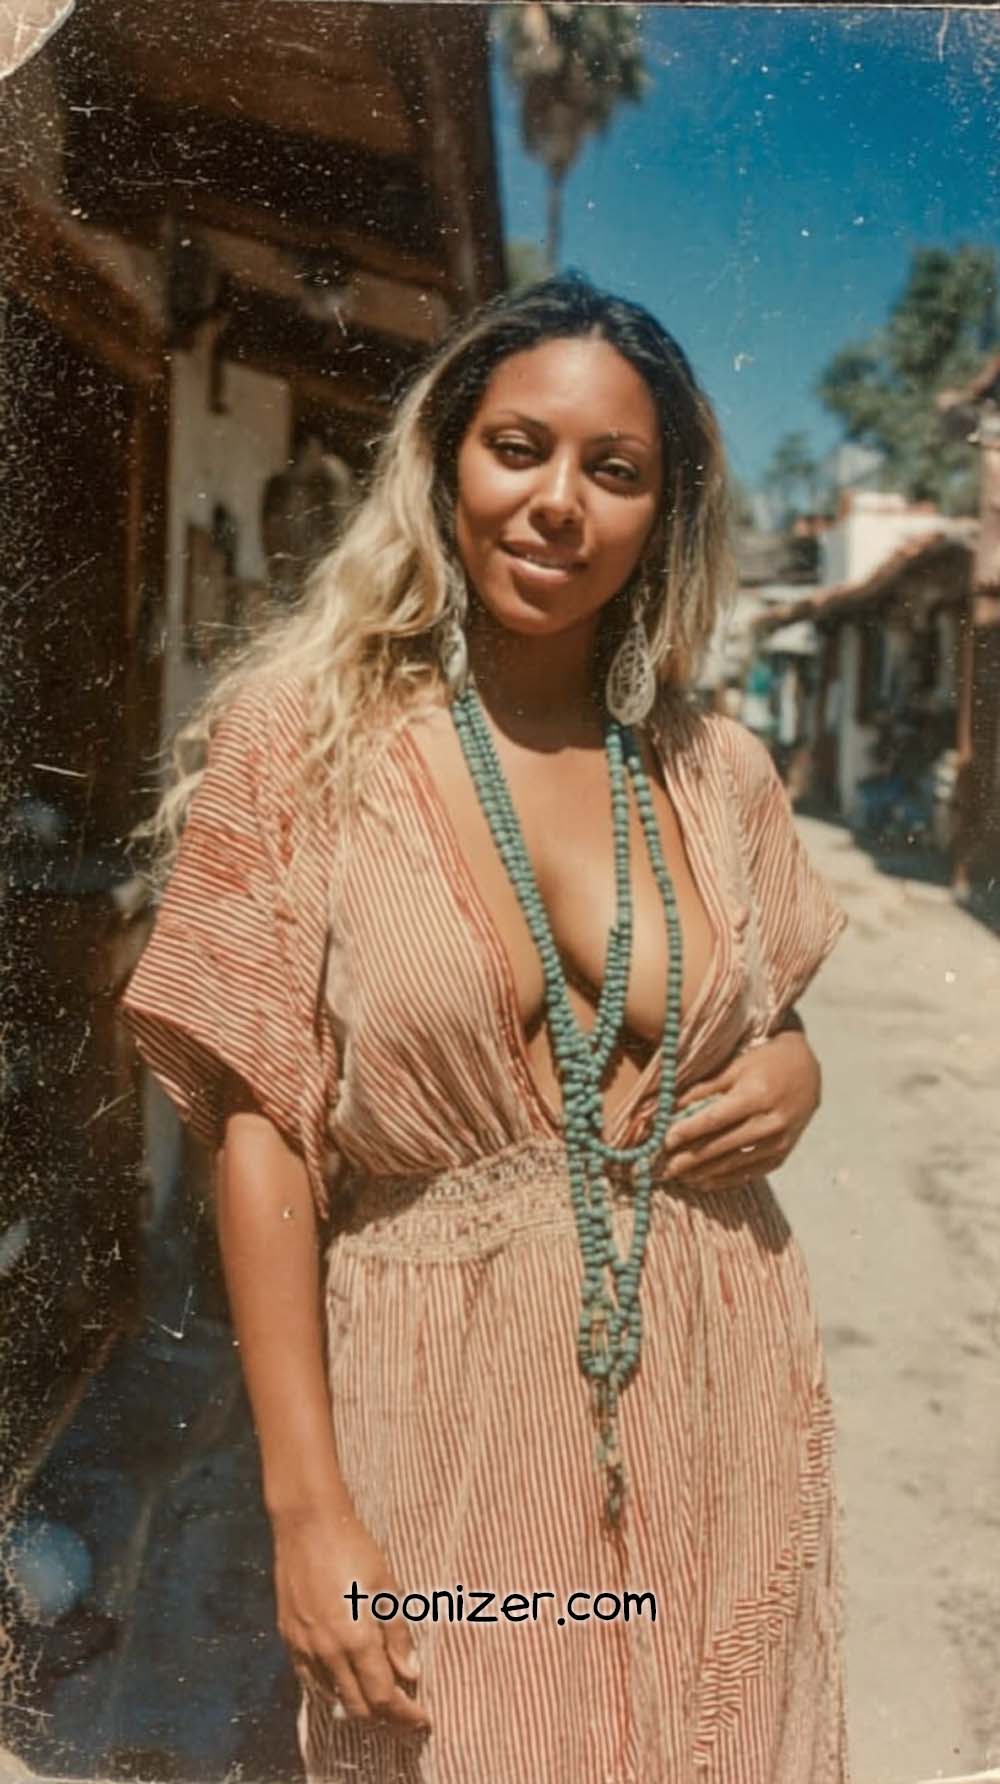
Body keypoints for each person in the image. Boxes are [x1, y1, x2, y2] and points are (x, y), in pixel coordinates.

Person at [123, 275, 848, 1783]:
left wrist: (795, 1071)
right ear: (446, 459)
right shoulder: (305, 736)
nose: (558, 504)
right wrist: (306, 1504)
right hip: (439, 1391)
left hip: (721, 1379)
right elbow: (262, 1124)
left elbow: (763, 1021)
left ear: (666, 512)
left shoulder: (715, 768)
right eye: (519, 447)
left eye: (616, 470)